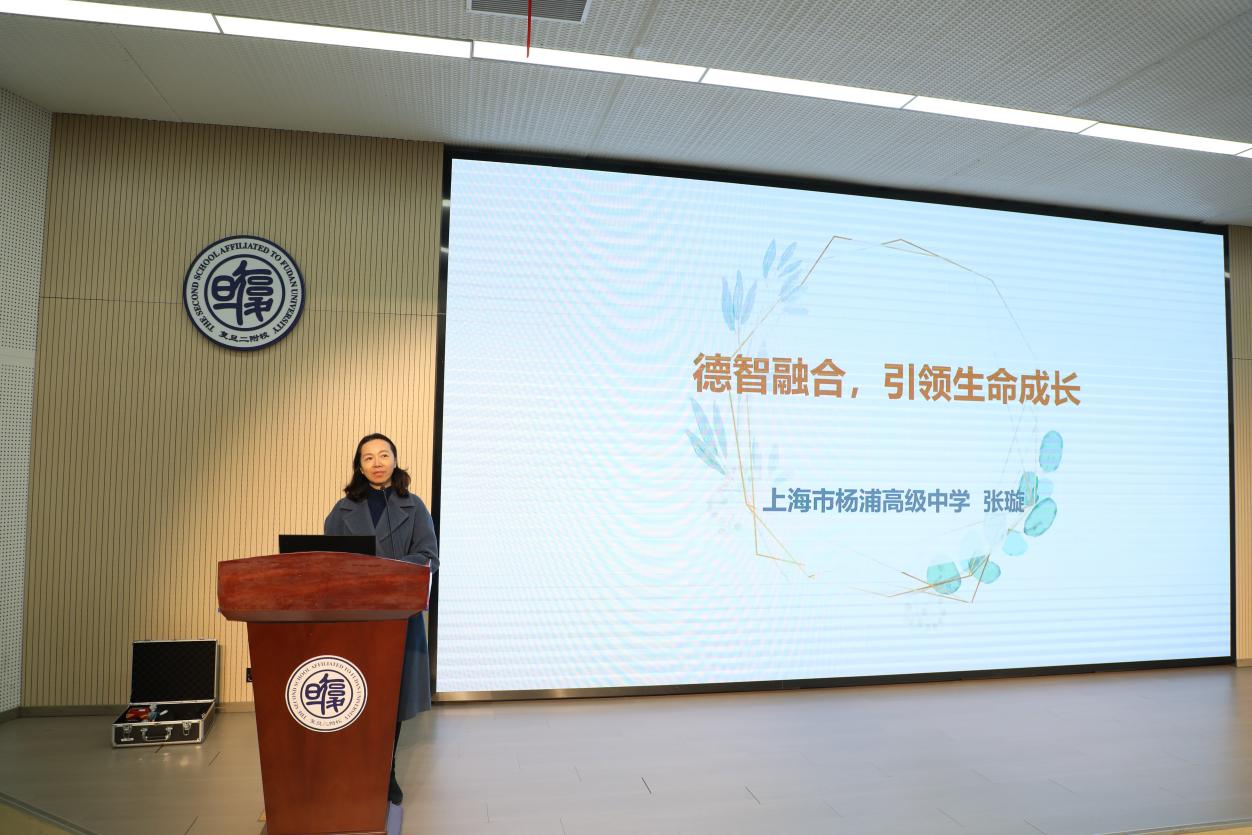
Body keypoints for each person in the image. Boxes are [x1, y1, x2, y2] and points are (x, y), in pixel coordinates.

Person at [324, 432, 438, 807]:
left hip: (398, 616)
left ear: (395, 460)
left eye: (384, 455)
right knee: (359, 695)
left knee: (392, 698)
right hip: (355, 620)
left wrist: (384, 573)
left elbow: (428, 557)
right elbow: (328, 562)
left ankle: (386, 772)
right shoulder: (342, 510)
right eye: (368, 457)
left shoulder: (414, 506)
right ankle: (356, 770)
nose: (377, 462)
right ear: (359, 466)